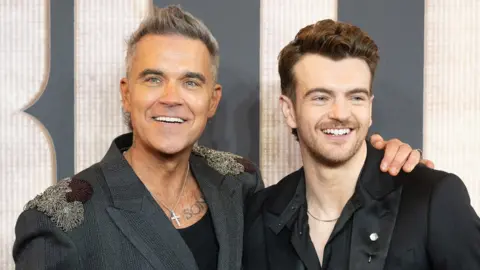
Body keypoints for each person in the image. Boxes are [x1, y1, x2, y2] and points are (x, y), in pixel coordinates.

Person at [13, 6, 431, 270]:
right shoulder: (60, 219)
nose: (172, 99)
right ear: (127, 93)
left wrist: (387, 168)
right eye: (153, 79)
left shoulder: (239, 182)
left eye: (191, 82)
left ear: (212, 100)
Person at [243, 19, 480, 270]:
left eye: (356, 97)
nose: (341, 113)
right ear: (289, 110)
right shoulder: (261, 215)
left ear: (369, 108)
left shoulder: (431, 198)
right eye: (321, 97)